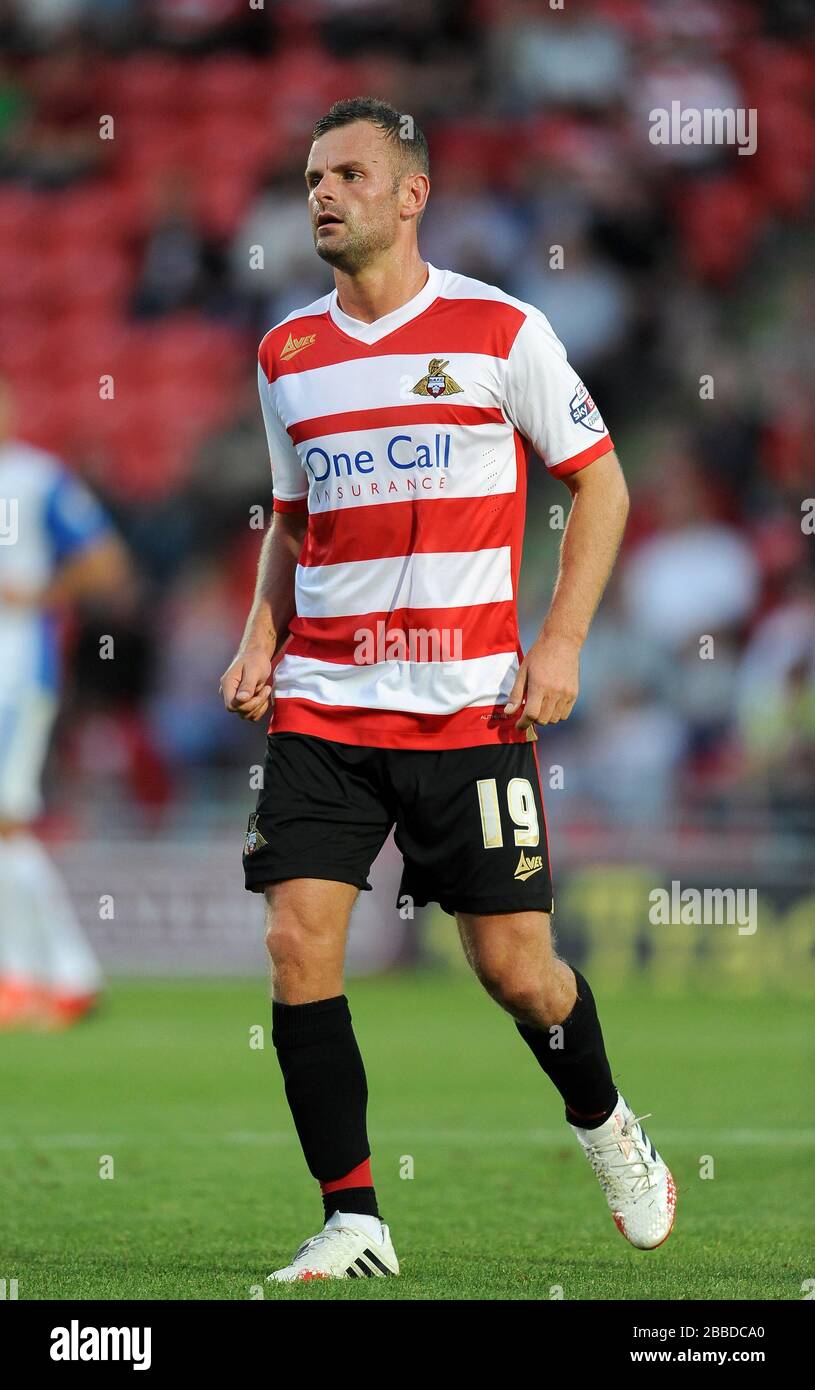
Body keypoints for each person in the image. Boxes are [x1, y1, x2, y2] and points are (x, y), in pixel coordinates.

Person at [220, 98, 675, 1282]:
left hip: (470, 708)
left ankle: (606, 1124)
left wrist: (561, 645)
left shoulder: (497, 330)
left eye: (349, 174)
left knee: (516, 971)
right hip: (323, 702)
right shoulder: (286, 355)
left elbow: (600, 486)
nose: (321, 192)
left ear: (410, 194)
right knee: (295, 943)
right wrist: (259, 633)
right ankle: (354, 1217)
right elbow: (291, 519)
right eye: (312, 174)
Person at [0, 376, 129, 1028]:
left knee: (8, 822)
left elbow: (105, 563)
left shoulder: (35, 478)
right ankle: (44, 979)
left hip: (17, 675)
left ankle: (50, 976)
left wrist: (38, 596)